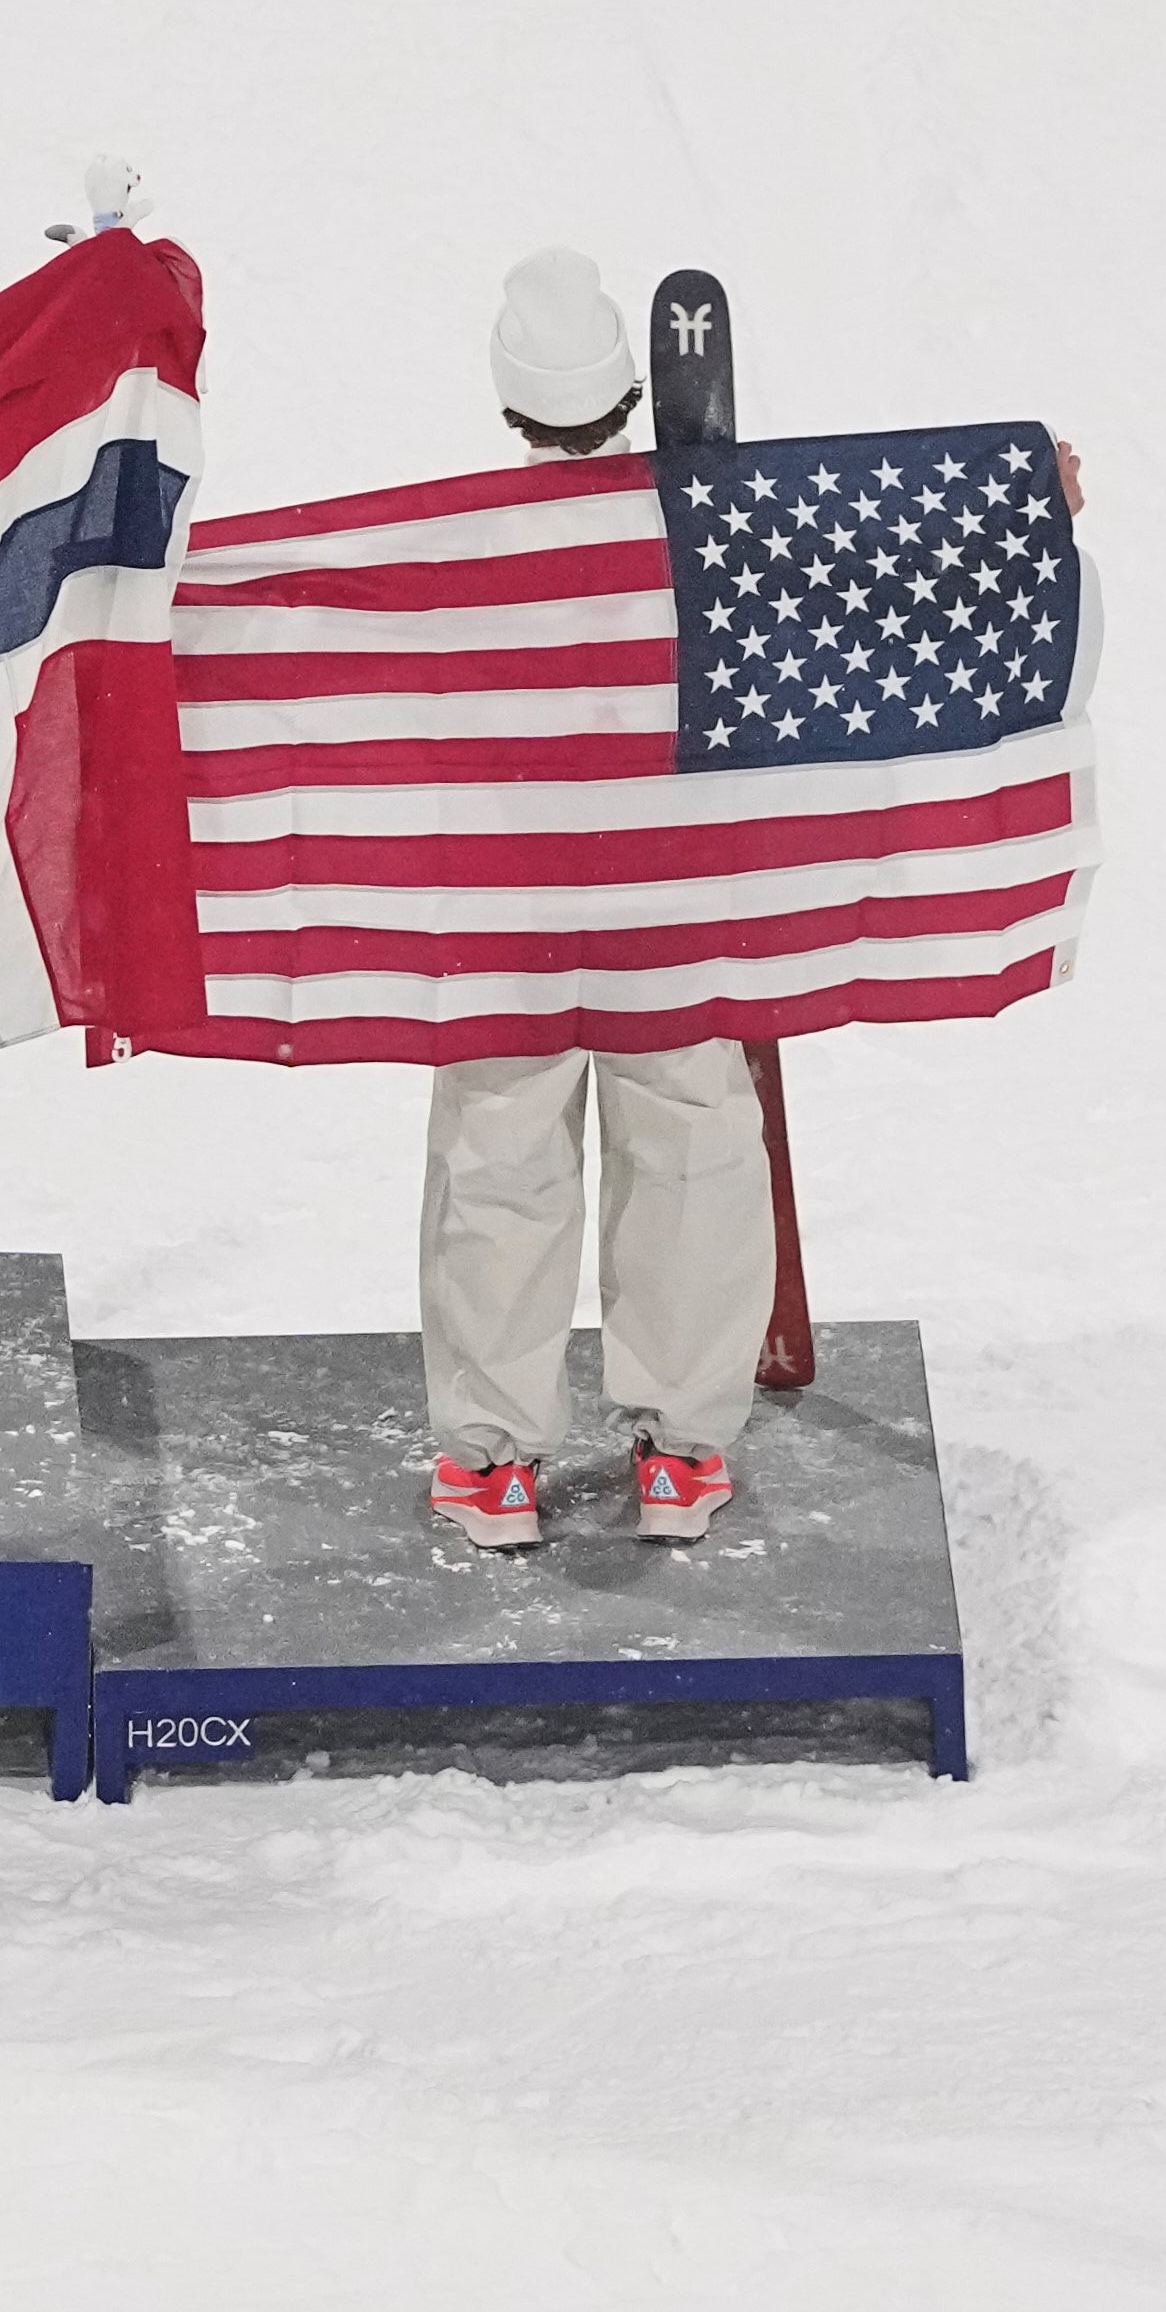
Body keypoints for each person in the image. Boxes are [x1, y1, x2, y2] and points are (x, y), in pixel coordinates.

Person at [414, 251, 780, 1553]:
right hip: (668, 902)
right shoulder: (711, 528)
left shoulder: (453, 546)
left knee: (499, 1164)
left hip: (512, 909)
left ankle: (492, 1462)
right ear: (630, 389)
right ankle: (683, 1445)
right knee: (690, 1152)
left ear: (508, 401)